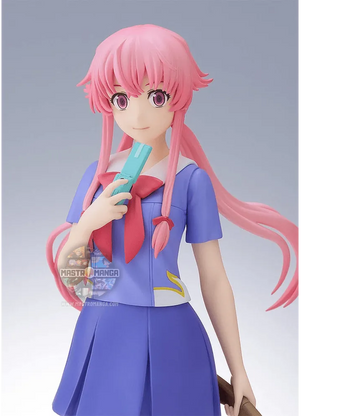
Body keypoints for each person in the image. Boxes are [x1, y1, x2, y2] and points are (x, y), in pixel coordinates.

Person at [46, 24, 301, 416]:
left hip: (170, 331)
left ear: (178, 97)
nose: (138, 114)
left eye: (156, 96)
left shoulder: (190, 180)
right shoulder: (95, 178)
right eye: (121, 99)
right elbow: (72, 277)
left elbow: (213, 278)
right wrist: (87, 223)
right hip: (102, 326)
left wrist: (239, 370)